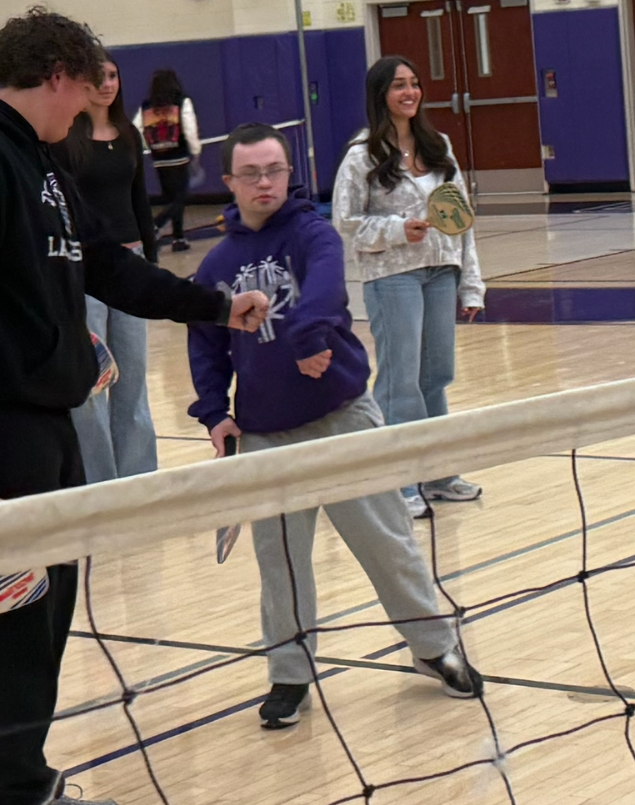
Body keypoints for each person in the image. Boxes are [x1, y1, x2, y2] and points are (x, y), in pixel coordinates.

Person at [0, 7, 268, 805]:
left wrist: (214, 307)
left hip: (45, 417)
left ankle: (16, 788)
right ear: (59, 71)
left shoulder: (47, 162)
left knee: (51, 610)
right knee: (13, 620)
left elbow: (112, 268)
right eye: (93, 78)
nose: (102, 96)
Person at [187, 122, 483, 731]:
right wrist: (216, 412)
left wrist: (309, 336)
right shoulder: (217, 263)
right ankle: (289, 675)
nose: (264, 182)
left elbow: (325, 292)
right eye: (250, 173)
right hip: (267, 435)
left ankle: (433, 648)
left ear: (289, 173)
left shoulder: (313, 232)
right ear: (229, 182)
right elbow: (206, 345)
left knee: (388, 542)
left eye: (274, 170)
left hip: (344, 418)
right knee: (282, 564)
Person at [333, 56, 486, 519]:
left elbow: (463, 219)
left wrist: (471, 284)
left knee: (435, 376)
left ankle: (438, 474)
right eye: (399, 85)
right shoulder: (361, 155)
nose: (410, 92)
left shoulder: (437, 146)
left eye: (415, 84)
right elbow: (345, 222)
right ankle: (397, 481)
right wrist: (400, 229)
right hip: (392, 276)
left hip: (442, 271)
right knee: (401, 381)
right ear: (381, 94)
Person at [51, 52, 158, 483]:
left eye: (113, 75)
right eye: (98, 77)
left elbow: (141, 201)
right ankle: (99, 481)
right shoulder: (66, 140)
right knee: (94, 379)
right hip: (87, 269)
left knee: (132, 378)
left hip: (130, 263)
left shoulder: (130, 136)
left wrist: (151, 262)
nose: (107, 84)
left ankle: (139, 479)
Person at [133, 68, 201, 252]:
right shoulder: (182, 102)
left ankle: (179, 239)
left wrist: (149, 147)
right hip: (179, 158)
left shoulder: (146, 106)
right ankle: (157, 224)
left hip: (159, 160)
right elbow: (189, 127)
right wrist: (195, 150)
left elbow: (136, 129)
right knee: (181, 198)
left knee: (172, 198)